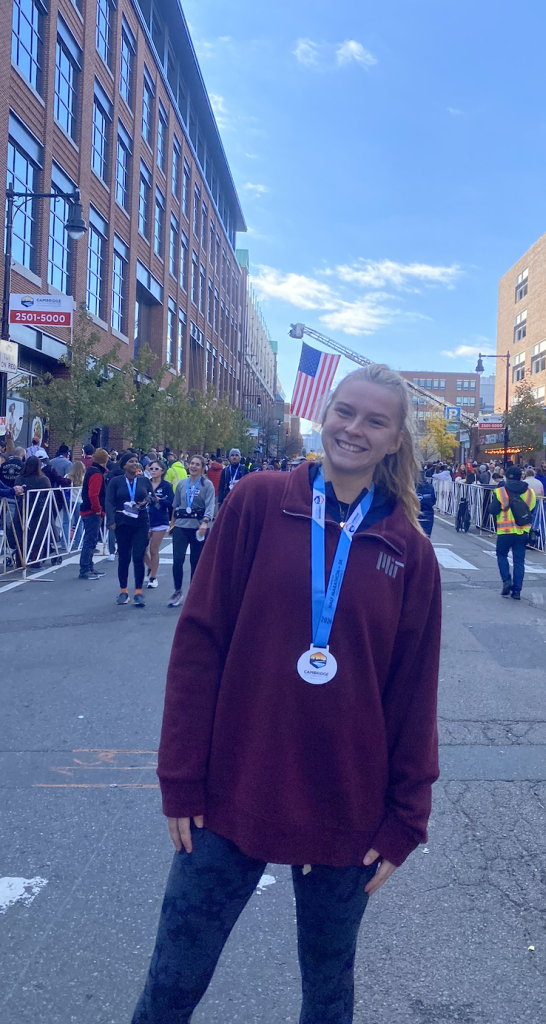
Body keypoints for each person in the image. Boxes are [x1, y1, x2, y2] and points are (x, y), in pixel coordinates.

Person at [131, 363, 441, 1024]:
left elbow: (413, 697)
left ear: (394, 441)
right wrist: (180, 777)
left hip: (346, 807)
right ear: (323, 415)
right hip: (229, 789)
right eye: (345, 412)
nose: (353, 429)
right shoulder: (258, 501)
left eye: (374, 421)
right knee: (171, 983)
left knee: (328, 995)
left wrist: (404, 820)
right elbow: (199, 640)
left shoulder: (407, 551)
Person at [105, 453, 153, 607]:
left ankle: (138, 592)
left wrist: (148, 500)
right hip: (122, 522)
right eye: (131, 462)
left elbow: (152, 496)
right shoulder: (116, 481)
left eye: (136, 461)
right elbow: (110, 501)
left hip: (140, 522)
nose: (135, 464)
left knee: (138, 556)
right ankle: (123, 591)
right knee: (124, 557)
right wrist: (110, 520)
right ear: (124, 465)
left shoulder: (144, 480)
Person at [168, 456, 215, 608]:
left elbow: (210, 505)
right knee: (177, 560)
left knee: (196, 562)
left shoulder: (207, 485)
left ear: (202, 467)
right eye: (192, 464)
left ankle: (194, 594)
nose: (194, 467)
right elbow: (176, 506)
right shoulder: (182, 484)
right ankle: (177, 590)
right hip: (181, 526)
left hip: (198, 527)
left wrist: (205, 522)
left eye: (197, 464)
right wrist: (172, 525)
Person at [489, 465, 537, 600]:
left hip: (505, 531)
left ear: (506, 477)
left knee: (502, 555)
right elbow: (531, 511)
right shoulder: (530, 493)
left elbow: (492, 510)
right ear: (521, 477)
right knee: (519, 561)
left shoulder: (500, 492)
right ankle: (517, 591)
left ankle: (506, 580)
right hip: (522, 531)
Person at [13, 456, 51, 567]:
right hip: (38, 510)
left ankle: (20, 560)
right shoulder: (43, 480)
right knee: (37, 534)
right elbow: (49, 494)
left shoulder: (19, 479)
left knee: (21, 534)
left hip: (22, 508)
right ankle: (35, 561)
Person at [78, 449, 109, 581]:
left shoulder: (92, 471)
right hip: (92, 511)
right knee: (90, 541)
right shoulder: (97, 474)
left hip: (88, 509)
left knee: (90, 540)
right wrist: (97, 509)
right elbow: (93, 494)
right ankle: (85, 569)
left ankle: (89, 567)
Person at [144, 460, 174, 589]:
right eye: (151, 468)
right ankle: (150, 567)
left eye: (156, 468)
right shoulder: (145, 483)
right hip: (144, 519)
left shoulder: (166, 485)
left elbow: (172, 502)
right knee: (139, 549)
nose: (153, 470)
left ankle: (153, 577)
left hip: (160, 520)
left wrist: (159, 500)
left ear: (162, 471)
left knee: (153, 550)